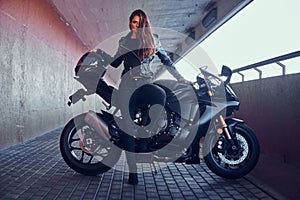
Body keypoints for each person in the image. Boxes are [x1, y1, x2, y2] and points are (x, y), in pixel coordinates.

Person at [97, 9, 188, 185]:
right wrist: (101, 56)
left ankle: (145, 140)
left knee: (160, 95)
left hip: (145, 84)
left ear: (144, 24)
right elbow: (116, 62)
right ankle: (133, 173)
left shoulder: (153, 40)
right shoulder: (124, 41)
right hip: (127, 85)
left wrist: (180, 78)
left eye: (138, 22)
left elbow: (166, 61)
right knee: (128, 127)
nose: (135, 25)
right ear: (130, 23)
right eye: (133, 22)